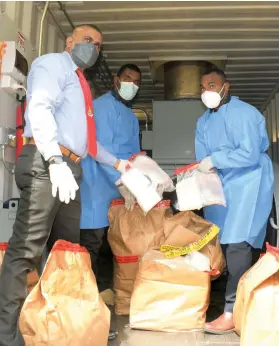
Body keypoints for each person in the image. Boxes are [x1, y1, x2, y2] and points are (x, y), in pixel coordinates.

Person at [0, 24, 126, 346]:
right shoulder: (53, 65)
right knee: (25, 251)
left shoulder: (81, 83)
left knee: (66, 251)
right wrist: (55, 162)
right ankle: (6, 335)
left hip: (70, 169)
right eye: (88, 41)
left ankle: (61, 327)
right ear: (70, 42)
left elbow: (90, 143)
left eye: (98, 45)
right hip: (48, 163)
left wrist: (121, 164)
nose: (93, 48)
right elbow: (39, 108)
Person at [195, 65, 274, 334]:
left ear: (226, 87)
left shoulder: (244, 113)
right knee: (224, 245)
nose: (208, 92)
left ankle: (231, 311)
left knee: (239, 243)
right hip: (222, 187)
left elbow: (250, 154)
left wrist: (214, 160)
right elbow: (202, 160)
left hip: (248, 183)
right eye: (203, 88)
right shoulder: (203, 121)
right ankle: (238, 303)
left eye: (213, 86)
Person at [80, 64, 141, 291]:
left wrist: (143, 180)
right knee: (92, 242)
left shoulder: (132, 118)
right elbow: (99, 149)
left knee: (115, 243)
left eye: (137, 83)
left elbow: (135, 155)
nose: (132, 85)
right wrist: (120, 180)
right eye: (128, 78)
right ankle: (85, 295)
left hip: (120, 188)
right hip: (97, 185)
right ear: (116, 80)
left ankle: (104, 291)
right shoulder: (100, 107)